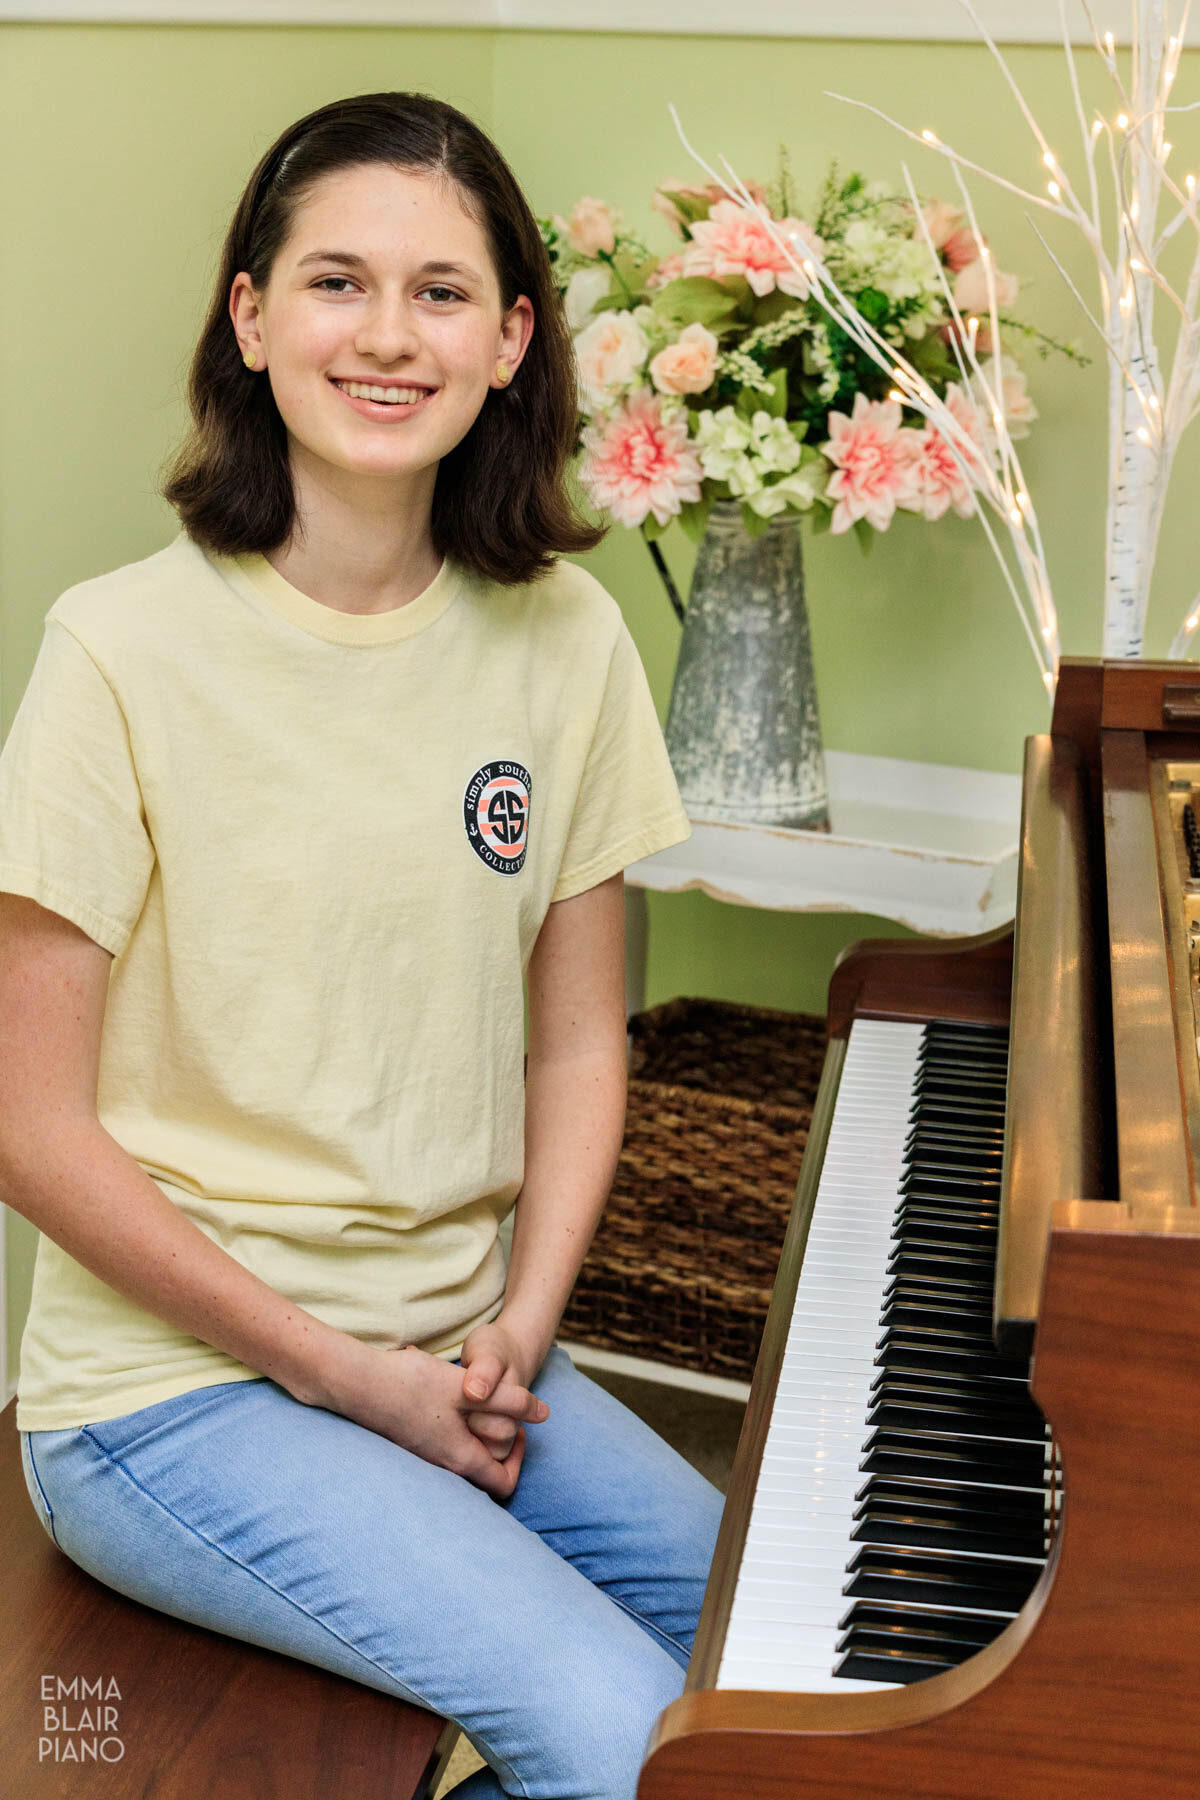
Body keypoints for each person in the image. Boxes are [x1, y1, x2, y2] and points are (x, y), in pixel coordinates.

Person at [0, 91, 724, 1800]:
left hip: (465, 1344)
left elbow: (575, 1044)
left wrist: (521, 1328)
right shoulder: (114, 652)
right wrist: (345, 1376)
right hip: (170, 1393)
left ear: (512, 338)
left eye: (443, 291)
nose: (387, 336)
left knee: (789, 1659)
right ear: (251, 322)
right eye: (336, 283)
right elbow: (28, 1125)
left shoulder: (566, 639)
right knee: (623, 1735)